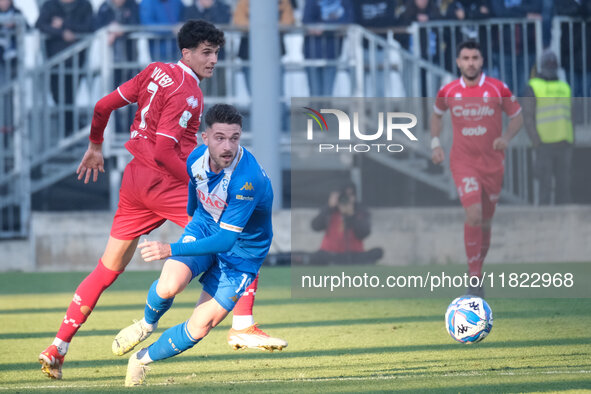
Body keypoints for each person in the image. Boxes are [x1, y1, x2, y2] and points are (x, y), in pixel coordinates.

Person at [38, 20, 285, 381]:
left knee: (107, 270)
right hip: (168, 181)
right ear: (186, 52)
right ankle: (243, 323)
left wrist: (95, 145)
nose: (213, 59)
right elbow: (164, 150)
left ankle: (58, 346)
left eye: (216, 52)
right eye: (206, 52)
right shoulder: (190, 92)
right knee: (242, 234)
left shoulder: (154, 72)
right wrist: (200, 182)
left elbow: (103, 106)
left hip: (134, 182)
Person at [119, 103, 276, 386]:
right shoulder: (195, 159)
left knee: (200, 326)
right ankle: (145, 324)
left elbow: (227, 240)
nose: (228, 146)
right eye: (220, 138)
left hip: (242, 251)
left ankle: (141, 359)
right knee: (170, 284)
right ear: (205, 138)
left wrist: (171, 248)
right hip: (205, 227)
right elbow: (194, 197)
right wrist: (193, 229)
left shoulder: (247, 179)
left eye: (235, 138)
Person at [430, 41, 523, 296]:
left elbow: (517, 116)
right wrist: (436, 143)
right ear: (458, 62)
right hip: (463, 162)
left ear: (482, 61)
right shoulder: (448, 91)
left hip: (492, 164)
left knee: (486, 220)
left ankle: (477, 268)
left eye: (475, 57)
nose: (470, 62)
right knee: (473, 214)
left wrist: (506, 138)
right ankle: (474, 276)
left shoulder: (497, 88)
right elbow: (436, 114)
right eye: (465, 58)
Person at [35, 0, 94, 135]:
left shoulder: (84, 5)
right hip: (54, 62)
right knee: (58, 96)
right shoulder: (50, 5)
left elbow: (90, 27)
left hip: (77, 61)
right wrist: (62, 33)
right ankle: (74, 128)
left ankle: (71, 131)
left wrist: (64, 24)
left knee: (69, 97)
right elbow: (40, 25)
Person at [523, 49, 574, 205]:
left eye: (553, 64)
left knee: (563, 187)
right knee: (545, 187)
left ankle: (562, 223)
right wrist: (536, 141)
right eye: (549, 63)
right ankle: (545, 222)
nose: (551, 66)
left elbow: (570, 116)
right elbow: (528, 117)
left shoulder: (565, 87)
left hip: (562, 143)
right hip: (545, 144)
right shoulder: (534, 86)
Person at [309, 182, 383, 265]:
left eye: (351, 195)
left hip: (354, 254)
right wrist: (328, 207)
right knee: (315, 257)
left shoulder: (360, 211)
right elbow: (315, 226)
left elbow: (363, 233)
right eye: (345, 195)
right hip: (329, 253)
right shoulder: (330, 211)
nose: (347, 198)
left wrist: (351, 215)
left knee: (377, 252)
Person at [302, 0, 354, 97]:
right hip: (312, 52)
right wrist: (333, 28)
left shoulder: (344, 2)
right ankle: (316, 112)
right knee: (314, 94)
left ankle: (324, 112)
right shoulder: (311, 2)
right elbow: (307, 21)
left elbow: (347, 22)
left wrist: (323, 28)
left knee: (327, 94)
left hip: (332, 53)